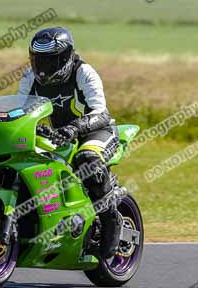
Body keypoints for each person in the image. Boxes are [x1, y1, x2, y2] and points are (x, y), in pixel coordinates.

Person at [18, 26, 122, 259]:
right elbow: (20, 110)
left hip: (97, 132)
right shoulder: (29, 77)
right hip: (62, 135)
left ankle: (110, 220)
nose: (42, 69)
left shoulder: (83, 72)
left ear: (65, 57)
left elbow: (101, 113)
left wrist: (74, 128)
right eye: (38, 61)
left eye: (49, 61)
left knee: (87, 159)